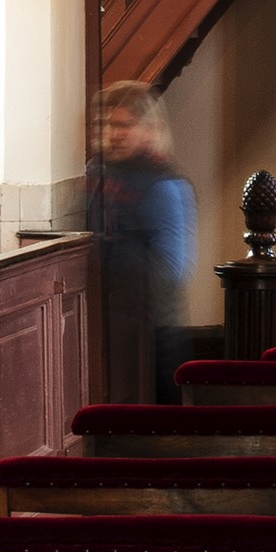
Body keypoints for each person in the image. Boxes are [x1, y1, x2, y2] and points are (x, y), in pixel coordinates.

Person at [86, 80, 196, 409]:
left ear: (148, 129)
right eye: (104, 124)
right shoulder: (96, 172)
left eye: (123, 125)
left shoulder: (164, 183)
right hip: (104, 322)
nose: (113, 133)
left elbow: (172, 268)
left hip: (151, 329)